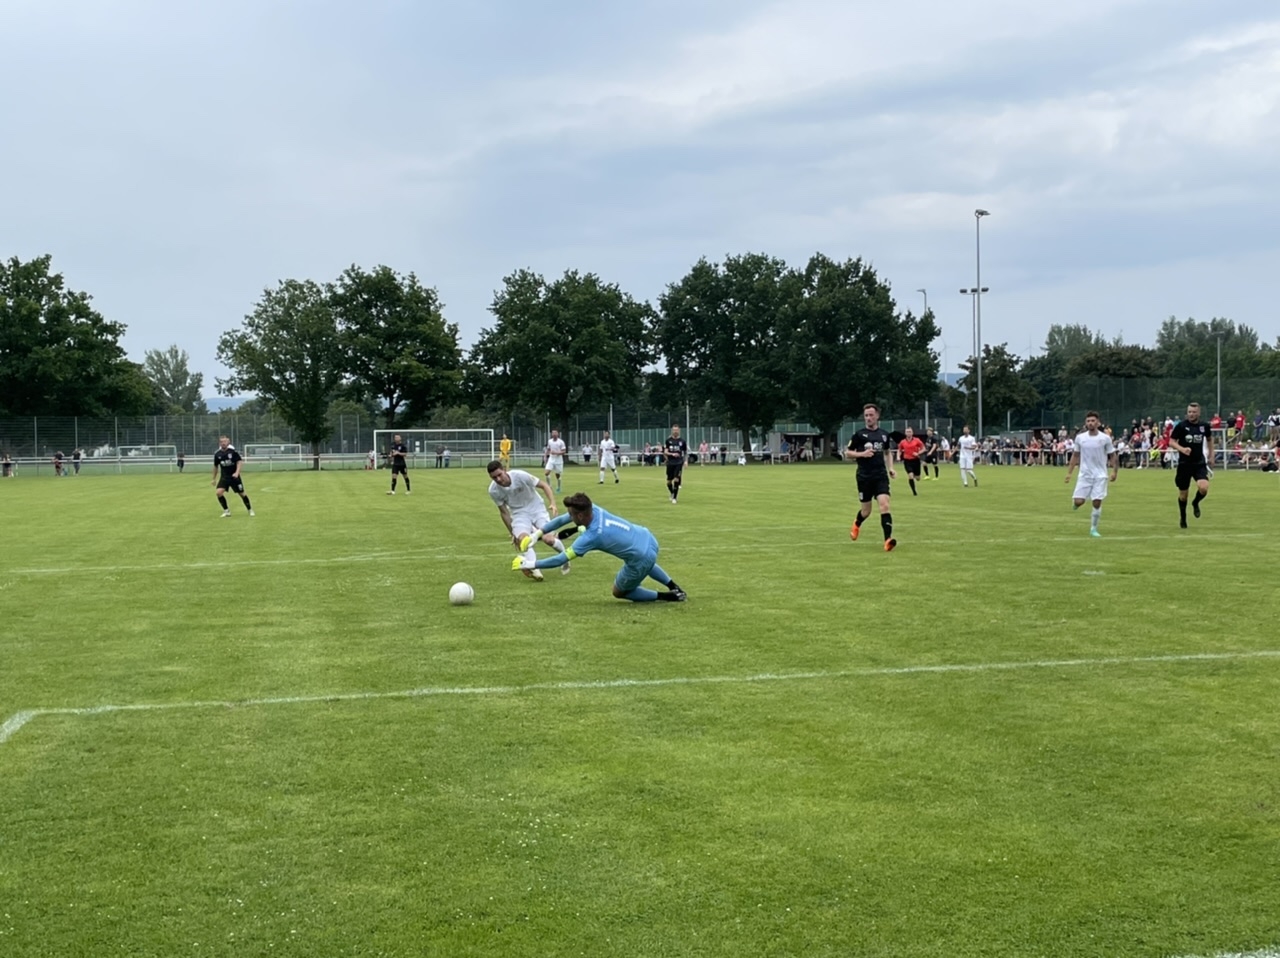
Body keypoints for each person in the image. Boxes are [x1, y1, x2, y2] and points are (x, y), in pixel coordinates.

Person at [512, 492, 686, 602]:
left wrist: (530, 564)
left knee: (619, 592)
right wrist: (537, 534)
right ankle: (674, 586)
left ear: (581, 516)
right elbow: (562, 520)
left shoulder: (592, 536)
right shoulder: (593, 508)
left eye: (572, 515)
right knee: (645, 561)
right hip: (648, 538)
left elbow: (560, 559)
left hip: (641, 558)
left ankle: (667, 596)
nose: (569, 517)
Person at [486, 460, 569, 581]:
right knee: (523, 540)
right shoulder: (493, 490)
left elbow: (544, 485)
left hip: (537, 509)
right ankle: (535, 569)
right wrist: (512, 533)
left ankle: (565, 558)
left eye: (499, 475)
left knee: (548, 539)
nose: (498, 479)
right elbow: (504, 512)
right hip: (519, 514)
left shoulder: (520, 476)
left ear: (504, 470)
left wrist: (553, 503)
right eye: (494, 478)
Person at [844, 402, 897, 551]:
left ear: (877, 416)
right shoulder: (859, 435)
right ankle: (857, 523)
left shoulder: (884, 435)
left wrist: (891, 468)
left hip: (880, 476)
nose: (868, 418)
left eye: (871, 415)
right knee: (866, 511)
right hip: (864, 477)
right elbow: (848, 453)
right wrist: (862, 454)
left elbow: (887, 453)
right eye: (866, 415)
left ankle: (887, 540)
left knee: (884, 505)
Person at [1064, 412, 1118, 537]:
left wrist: (1114, 471)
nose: (1090, 423)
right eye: (1088, 421)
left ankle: (1093, 529)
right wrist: (1069, 473)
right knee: (1079, 501)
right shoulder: (1080, 438)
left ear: (1098, 423)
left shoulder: (1105, 438)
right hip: (1085, 474)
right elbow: (1075, 455)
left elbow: (1112, 456)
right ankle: (1077, 503)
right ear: (1085, 423)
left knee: (1097, 502)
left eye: (1093, 421)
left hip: (1100, 475)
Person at [1170, 402, 1213, 528]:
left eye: (1194, 412)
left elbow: (1210, 439)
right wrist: (1182, 449)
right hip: (1184, 464)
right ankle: (1183, 517)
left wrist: (1211, 455)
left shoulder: (1204, 426)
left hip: (1199, 463)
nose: (1191, 414)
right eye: (1189, 412)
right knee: (1183, 496)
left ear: (1199, 413)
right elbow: (1171, 442)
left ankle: (1195, 502)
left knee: (1204, 488)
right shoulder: (1181, 426)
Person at [212, 436, 254, 517]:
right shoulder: (217, 454)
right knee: (218, 493)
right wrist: (213, 479)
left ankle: (250, 510)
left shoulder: (233, 452)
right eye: (221, 442)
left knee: (242, 494)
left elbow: (239, 462)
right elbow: (215, 466)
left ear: (228, 442)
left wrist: (237, 472)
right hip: (224, 477)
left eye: (225, 441)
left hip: (234, 477)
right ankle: (226, 511)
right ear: (219, 443)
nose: (223, 443)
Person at [662, 424, 689, 503]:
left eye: (677, 430)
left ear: (679, 431)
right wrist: (672, 454)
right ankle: (672, 493)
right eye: (674, 430)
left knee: (676, 479)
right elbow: (665, 452)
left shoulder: (682, 441)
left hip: (679, 462)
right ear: (672, 431)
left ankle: (674, 498)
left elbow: (685, 452)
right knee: (669, 481)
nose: (675, 432)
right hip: (670, 463)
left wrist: (686, 461)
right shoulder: (668, 441)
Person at [897, 426, 925, 496]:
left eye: (910, 432)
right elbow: (899, 450)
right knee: (910, 476)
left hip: (916, 460)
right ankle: (914, 492)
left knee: (918, 478)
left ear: (912, 433)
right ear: (905, 433)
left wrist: (918, 453)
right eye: (907, 432)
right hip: (907, 461)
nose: (908, 433)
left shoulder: (917, 440)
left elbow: (923, 448)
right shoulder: (902, 442)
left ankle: (915, 475)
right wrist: (898, 456)